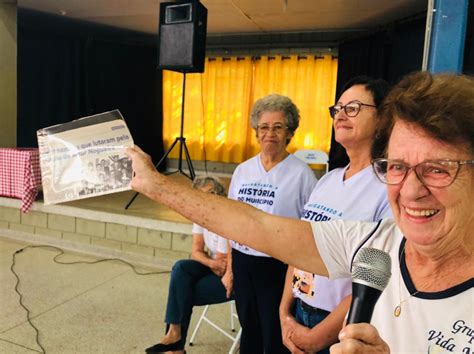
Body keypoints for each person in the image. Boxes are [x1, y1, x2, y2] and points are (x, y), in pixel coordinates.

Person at [127, 71, 473, 353]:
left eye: (438, 168)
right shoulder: (377, 239)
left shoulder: (310, 179)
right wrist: (155, 184)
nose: (411, 190)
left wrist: (321, 335)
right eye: (396, 167)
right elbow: (256, 226)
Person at [279, 76, 392, 354]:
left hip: (340, 326)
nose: (341, 115)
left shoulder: (387, 188)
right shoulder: (328, 180)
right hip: (299, 310)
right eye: (338, 108)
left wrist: (319, 336)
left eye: (353, 107)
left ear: (382, 119)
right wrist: (284, 311)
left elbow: (373, 277)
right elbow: (300, 247)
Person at [221, 93, 317, 353]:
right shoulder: (243, 170)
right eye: (264, 127)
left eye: (278, 127)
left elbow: (310, 233)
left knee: (274, 338)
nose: (270, 134)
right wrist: (230, 269)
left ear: (289, 132)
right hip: (243, 263)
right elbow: (231, 222)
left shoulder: (302, 175)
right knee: (249, 331)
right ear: (256, 132)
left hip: (279, 268)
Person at [145, 176, 230, 354]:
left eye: (212, 193)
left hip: (232, 277)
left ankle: (174, 346)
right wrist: (210, 262)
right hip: (213, 266)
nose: (207, 198)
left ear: (220, 194)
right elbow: (196, 251)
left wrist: (212, 262)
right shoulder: (200, 217)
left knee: (182, 291)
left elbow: (224, 264)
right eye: (201, 195)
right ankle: (174, 333)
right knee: (180, 268)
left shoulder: (226, 217)